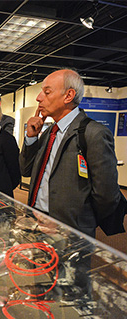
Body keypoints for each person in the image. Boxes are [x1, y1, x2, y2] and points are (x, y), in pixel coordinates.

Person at [19, 68, 121, 237]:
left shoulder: (94, 133)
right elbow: (25, 170)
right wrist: (30, 138)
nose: (38, 98)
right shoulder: (48, 133)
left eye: (47, 92)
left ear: (68, 96)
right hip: (36, 222)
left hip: (69, 231)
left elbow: (107, 196)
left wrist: (83, 221)